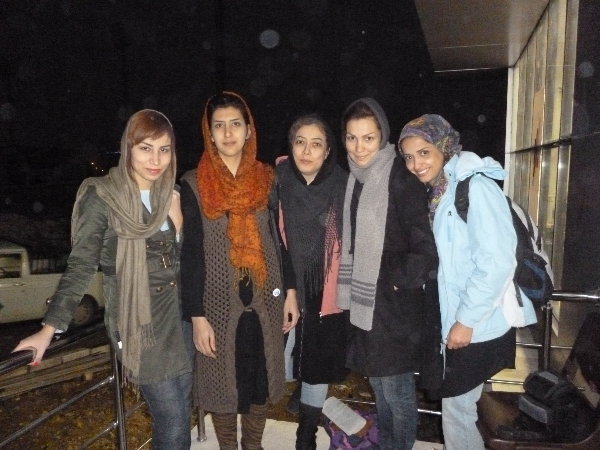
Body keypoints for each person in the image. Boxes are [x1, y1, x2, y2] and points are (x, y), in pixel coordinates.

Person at [12, 109, 193, 449]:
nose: (156, 160)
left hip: (179, 316)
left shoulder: (170, 194)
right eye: (146, 148)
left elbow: (180, 264)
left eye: (164, 150)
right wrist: (49, 329)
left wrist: (179, 225)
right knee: (171, 419)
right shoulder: (102, 196)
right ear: (128, 148)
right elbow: (81, 264)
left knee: (183, 407)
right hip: (139, 323)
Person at [399, 114, 537, 450]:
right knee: (461, 410)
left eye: (424, 153)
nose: (416, 164)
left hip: (476, 323)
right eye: (408, 157)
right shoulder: (439, 192)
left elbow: (497, 262)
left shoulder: (475, 188)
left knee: (457, 413)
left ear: (444, 147)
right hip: (458, 319)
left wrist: (466, 320)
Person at [180, 91, 299, 450]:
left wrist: (290, 292)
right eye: (219, 126)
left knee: (260, 380)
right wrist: (197, 316)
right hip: (217, 304)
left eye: (235, 124)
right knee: (222, 384)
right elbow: (192, 255)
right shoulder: (194, 183)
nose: (228, 133)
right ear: (209, 133)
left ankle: (253, 445)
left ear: (249, 130)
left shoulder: (268, 179)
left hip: (266, 298)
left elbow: (280, 240)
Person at [337, 98, 439, 450]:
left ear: (382, 137)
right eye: (352, 138)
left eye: (368, 138)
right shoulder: (356, 179)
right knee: (380, 388)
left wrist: (394, 279)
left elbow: (426, 249)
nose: (359, 147)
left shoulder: (400, 179)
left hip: (395, 309)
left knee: (397, 392)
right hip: (369, 303)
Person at [275, 114, 349, 449]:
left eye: (316, 144)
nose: (307, 151)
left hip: (325, 287)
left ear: (327, 150)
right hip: (282, 282)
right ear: (291, 146)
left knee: (317, 366)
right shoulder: (276, 181)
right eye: (300, 142)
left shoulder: (343, 185)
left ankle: (306, 437)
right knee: (276, 360)